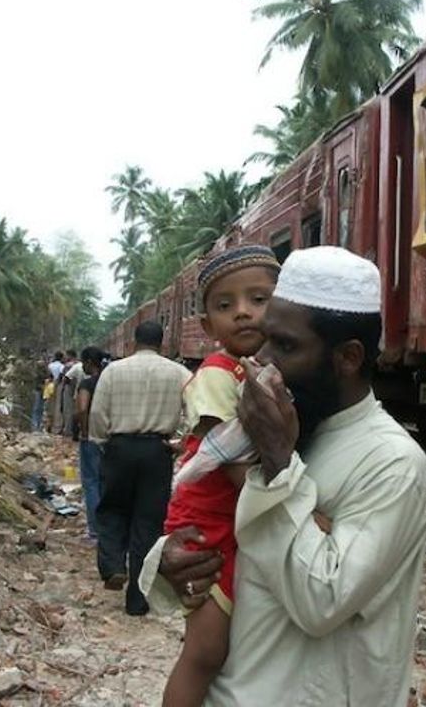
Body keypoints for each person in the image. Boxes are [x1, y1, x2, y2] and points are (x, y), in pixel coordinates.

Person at [140, 246, 426, 706]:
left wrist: (279, 465)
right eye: (266, 340)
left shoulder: (391, 462)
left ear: (348, 358)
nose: (262, 361)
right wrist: (173, 560)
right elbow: (218, 512)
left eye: (286, 346)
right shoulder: (272, 426)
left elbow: (322, 600)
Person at [155, 245, 281, 706]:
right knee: (205, 651)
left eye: (258, 299)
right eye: (225, 306)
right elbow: (236, 471)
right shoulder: (216, 376)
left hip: (231, 521)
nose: (243, 313)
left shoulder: (260, 373)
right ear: (206, 326)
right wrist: (305, 516)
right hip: (208, 524)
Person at [89, 321, 191, 615]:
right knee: (148, 521)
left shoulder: (113, 371)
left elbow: (98, 412)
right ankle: (137, 599)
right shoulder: (179, 373)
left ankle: (112, 566)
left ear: (135, 341)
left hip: (119, 448)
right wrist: (180, 441)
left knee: (112, 509)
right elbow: (197, 406)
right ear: (162, 341)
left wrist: (101, 441)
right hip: (157, 451)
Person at [76, 346, 106, 542]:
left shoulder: (87, 384)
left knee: (91, 482)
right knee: (104, 482)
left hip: (91, 438)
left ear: (88, 362)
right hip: (109, 437)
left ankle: (95, 530)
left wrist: (84, 431)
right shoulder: (109, 381)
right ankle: (108, 528)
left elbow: (82, 408)